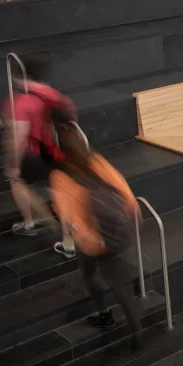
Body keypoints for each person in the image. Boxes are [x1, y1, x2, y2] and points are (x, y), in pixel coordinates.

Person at [50, 124, 141, 341]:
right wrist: (132, 214)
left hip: (93, 241)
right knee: (117, 281)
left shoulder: (61, 176)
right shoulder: (97, 161)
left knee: (90, 274)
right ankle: (136, 328)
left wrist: (87, 240)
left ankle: (104, 313)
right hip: (118, 230)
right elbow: (122, 188)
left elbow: (69, 216)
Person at [4, 57, 77, 243]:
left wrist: (12, 165)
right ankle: (68, 241)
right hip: (58, 152)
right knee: (58, 192)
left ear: (24, 77)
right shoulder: (58, 97)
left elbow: (19, 139)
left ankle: (32, 222)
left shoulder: (21, 102)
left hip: (34, 153)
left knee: (17, 181)